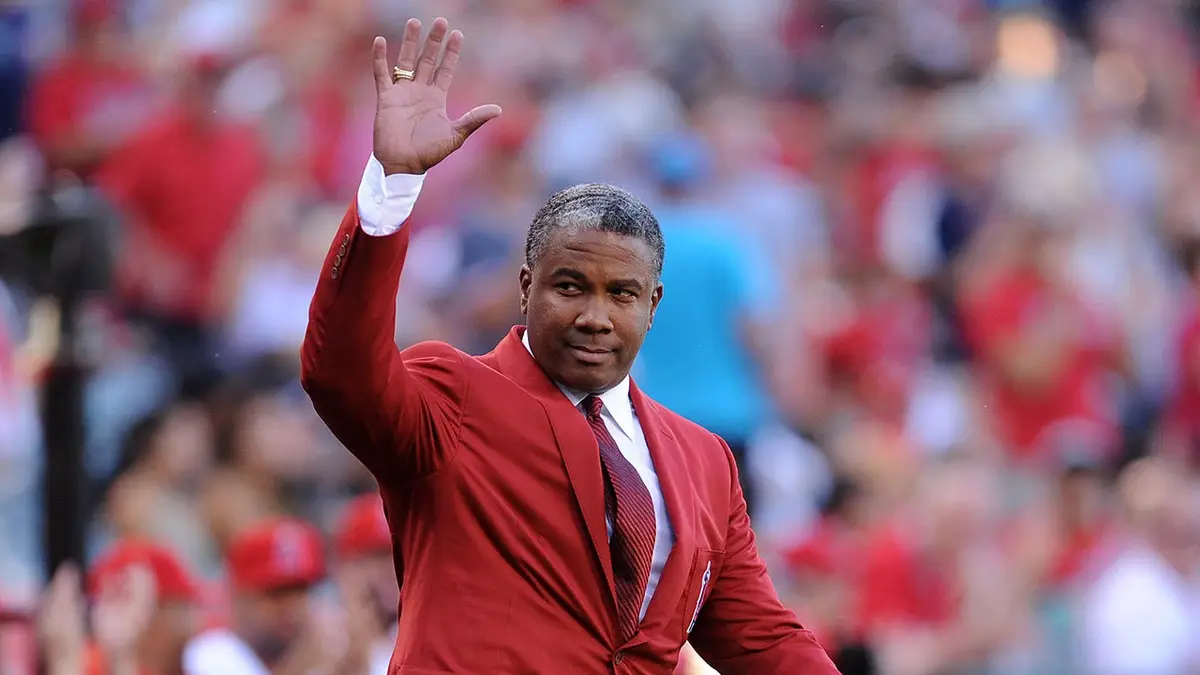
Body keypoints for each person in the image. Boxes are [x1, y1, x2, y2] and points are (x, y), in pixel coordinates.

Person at [300, 16, 838, 675]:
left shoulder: (705, 460)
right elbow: (340, 371)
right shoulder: (452, 395)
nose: (595, 316)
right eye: (570, 286)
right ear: (525, 287)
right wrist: (391, 187)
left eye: (621, 294)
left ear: (653, 305)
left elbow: (761, 639)